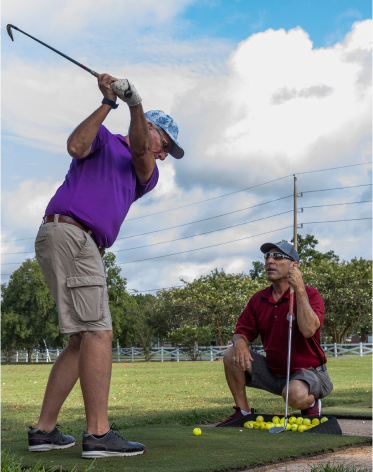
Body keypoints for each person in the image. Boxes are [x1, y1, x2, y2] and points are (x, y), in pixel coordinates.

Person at [29, 74, 184, 458]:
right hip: (71, 235)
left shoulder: (144, 170)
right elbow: (75, 145)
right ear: (151, 129)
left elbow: (143, 155)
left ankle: (44, 431)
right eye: (167, 144)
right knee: (98, 332)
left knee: (81, 338)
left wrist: (134, 103)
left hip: (73, 239)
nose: (164, 154)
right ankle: (98, 434)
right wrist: (111, 103)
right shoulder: (104, 139)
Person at [217, 241, 333, 426]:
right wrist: (240, 342)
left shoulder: (311, 294)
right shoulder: (259, 298)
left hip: (310, 374)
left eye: (277, 257)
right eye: (267, 256)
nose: (270, 261)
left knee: (293, 395)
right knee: (231, 352)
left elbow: (308, 330)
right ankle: (244, 412)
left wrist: (300, 289)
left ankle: (311, 401)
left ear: (294, 265)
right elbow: (241, 332)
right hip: (275, 374)